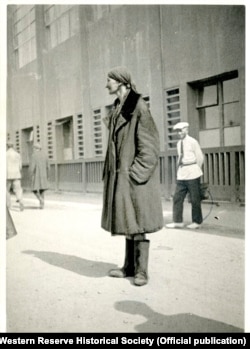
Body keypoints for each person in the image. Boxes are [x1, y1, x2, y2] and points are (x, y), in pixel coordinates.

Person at [101, 66, 164, 287]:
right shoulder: (119, 107)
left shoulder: (138, 107)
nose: (106, 84)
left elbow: (150, 147)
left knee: (138, 222)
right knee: (129, 220)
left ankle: (142, 272)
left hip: (135, 179)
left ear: (121, 82)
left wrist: (135, 174)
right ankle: (128, 267)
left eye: (109, 80)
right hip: (123, 178)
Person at [166, 121, 204, 229]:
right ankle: (178, 221)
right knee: (177, 198)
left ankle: (197, 222)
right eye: (177, 131)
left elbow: (200, 157)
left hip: (193, 173)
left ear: (186, 130)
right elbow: (180, 158)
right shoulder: (179, 144)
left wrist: (196, 170)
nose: (179, 133)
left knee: (195, 199)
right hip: (182, 174)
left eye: (181, 130)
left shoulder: (193, 142)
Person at [29, 142, 50, 209]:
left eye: (33, 148)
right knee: (42, 189)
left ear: (35, 148)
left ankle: (41, 200)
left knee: (33, 189)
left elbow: (32, 167)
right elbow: (48, 166)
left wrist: (30, 174)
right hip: (44, 174)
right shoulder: (45, 155)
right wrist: (48, 175)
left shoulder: (34, 155)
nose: (33, 149)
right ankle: (41, 205)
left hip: (36, 175)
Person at [6, 140, 24, 211]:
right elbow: (20, 166)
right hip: (16, 174)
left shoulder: (5, 154)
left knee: (6, 190)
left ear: (7, 146)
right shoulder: (17, 154)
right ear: (13, 146)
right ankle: (21, 201)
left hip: (7, 175)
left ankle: (8, 205)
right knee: (18, 189)